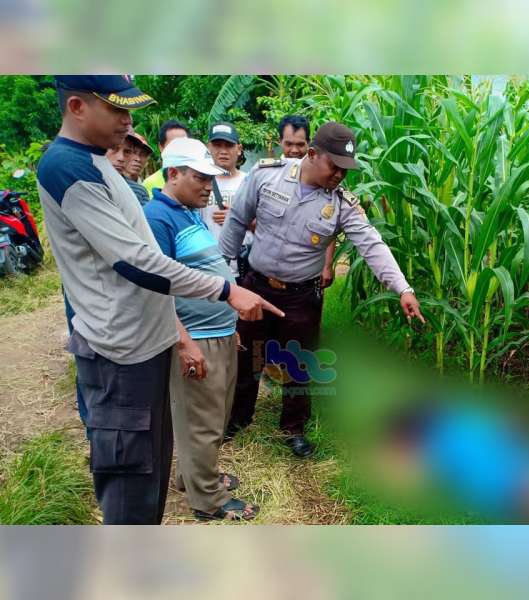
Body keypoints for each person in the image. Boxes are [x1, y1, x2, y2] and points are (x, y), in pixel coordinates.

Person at [37, 75, 283, 525]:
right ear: (76, 107)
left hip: (144, 346)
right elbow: (137, 263)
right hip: (120, 355)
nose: (129, 122)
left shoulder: (97, 166)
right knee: (132, 481)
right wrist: (227, 290)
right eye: (117, 110)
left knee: (152, 468)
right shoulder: (67, 169)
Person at [219, 121, 424, 457]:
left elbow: (372, 245)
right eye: (335, 166)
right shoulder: (266, 175)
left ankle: (293, 429)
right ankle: (239, 418)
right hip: (256, 287)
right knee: (247, 358)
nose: (341, 175)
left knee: (298, 364)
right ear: (312, 154)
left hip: (301, 296)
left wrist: (403, 287)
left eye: (347, 170)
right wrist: (223, 281)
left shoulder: (341, 203)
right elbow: (236, 221)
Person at [144, 137, 259, 521]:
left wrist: (230, 324)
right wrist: (183, 343)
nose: (208, 187)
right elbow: (154, 290)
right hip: (197, 338)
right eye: (199, 178)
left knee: (212, 417)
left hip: (219, 333)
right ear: (172, 174)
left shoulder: (188, 211)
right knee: (202, 424)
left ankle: (193, 477)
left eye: (210, 179)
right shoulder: (157, 219)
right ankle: (207, 501)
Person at [278, 115, 336, 288]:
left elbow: (329, 227)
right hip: (272, 270)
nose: (294, 150)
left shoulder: (323, 178)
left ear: (309, 144)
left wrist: (327, 265)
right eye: (289, 144)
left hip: (309, 272)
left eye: (300, 144)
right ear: (279, 141)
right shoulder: (267, 176)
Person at [199, 121, 249, 243]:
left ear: (239, 149)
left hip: (243, 258)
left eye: (229, 145)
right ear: (208, 148)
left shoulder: (251, 182)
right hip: (210, 258)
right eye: (217, 145)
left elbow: (268, 225)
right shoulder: (198, 183)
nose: (223, 151)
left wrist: (237, 219)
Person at [142, 119, 189, 196]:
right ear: (161, 147)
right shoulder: (149, 184)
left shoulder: (198, 179)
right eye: (173, 145)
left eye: (183, 144)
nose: (179, 149)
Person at [106, 128, 150, 206]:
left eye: (127, 151)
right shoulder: (83, 179)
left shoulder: (138, 191)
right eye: (114, 149)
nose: (121, 158)